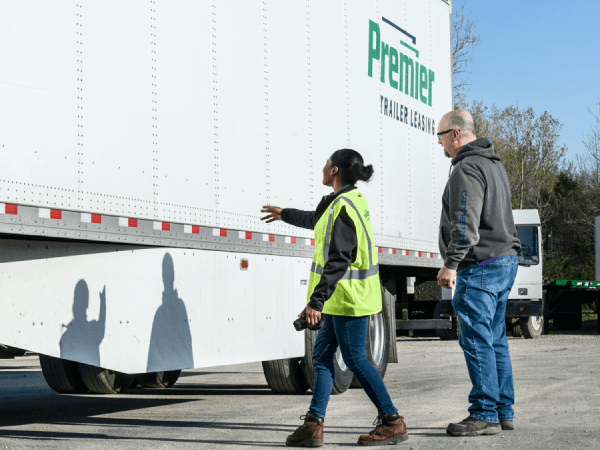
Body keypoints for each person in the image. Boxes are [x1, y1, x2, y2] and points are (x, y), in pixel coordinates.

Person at [261, 149, 408, 447]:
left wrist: (316, 301)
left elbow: (339, 259)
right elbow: (315, 219)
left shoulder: (342, 207)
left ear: (335, 170)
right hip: (341, 300)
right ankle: (313, 425)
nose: (323, 166)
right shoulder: (344, 201)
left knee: (354, 358)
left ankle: (393, 421)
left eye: (327, 163)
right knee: (322, 357)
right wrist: (284, 214)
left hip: (350, 299)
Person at [436, 110, 521, 437]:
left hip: (481, 266)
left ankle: (484, 412)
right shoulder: (493, 164)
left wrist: (451, 263)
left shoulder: (466, 168)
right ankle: (503, 411)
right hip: (503, 261)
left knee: (477, 340)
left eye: (441, 136)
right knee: (495, 338)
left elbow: (465, 226)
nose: (440, 143)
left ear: (455, 134)